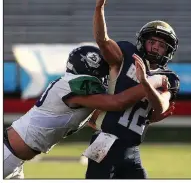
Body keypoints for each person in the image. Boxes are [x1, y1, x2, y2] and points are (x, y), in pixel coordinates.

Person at [4, 45, 168, 179]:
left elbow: (103, 120)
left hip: (15, 159)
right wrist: (153, 81)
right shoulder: (74, 85)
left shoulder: (77, 91)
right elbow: (118, 102)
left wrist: (149, 117)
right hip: (6, 154)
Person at [84, 0, 180, 179]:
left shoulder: (168, 77)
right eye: (152, 41)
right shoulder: (127, 55)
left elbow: (161, 106)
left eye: (161, 45)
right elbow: (102, 41)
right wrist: (99, 7)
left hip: (132, 149)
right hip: (105, 141)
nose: (156, 47)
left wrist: (145, 81)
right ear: (143, 41)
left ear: (167, 51)